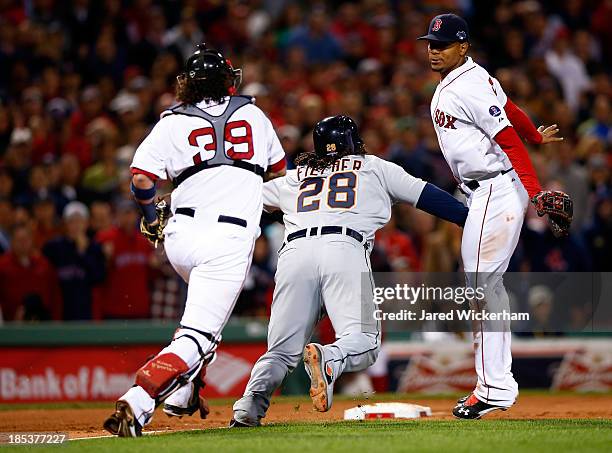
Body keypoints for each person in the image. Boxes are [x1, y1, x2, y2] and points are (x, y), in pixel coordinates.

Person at [229, 115, 469, 426]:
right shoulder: (373, 166)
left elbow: (243, 200)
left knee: (281, 351)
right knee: (365, 341)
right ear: (355, 143)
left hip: (294, 253)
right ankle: (331, 358)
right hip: (343, 247)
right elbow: (429, 197)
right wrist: (468, 217)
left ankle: (249, 407)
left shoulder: (295, 176)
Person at [103, 44, 286, 437]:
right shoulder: (253, 113)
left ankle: (182, 395)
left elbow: (140, 181)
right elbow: (278, 173)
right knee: (199, 335)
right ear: (227, 80)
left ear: (187, 85)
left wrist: (151, 217)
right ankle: (139, 398)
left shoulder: (171, 121)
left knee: (204, 323)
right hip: (229, 238)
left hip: (179, 237)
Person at [417, 14, 572, 419]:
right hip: (484, 189)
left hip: (495, 187)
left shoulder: (466, 84)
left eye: (443, 44)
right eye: (431, 44)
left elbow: (505, 137)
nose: (434, 50)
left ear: (463, 47)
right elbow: (509, 109)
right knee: (485, 285)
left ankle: (493, 388)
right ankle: (496, 383)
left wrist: (535, 191)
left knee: (481, 285)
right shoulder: (472, 75)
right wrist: (535, 134)